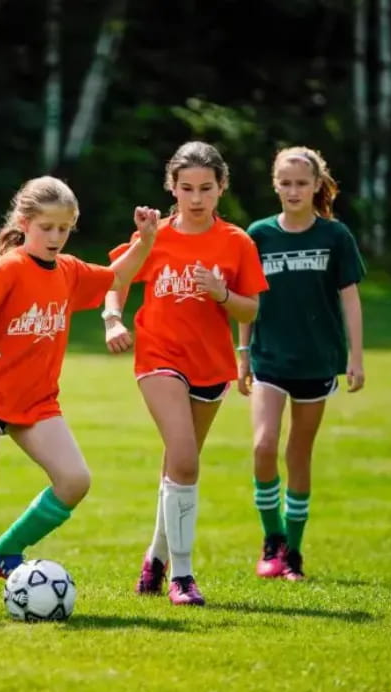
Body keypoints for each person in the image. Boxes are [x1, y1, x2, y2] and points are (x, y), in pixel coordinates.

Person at [0, 175, 160, 615]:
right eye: (47, 228)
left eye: (64, 229)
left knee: (75, 481)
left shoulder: (69, 271)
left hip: (35, 401)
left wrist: (146, 240)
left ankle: (5, 551)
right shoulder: (9, 268)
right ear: (25, 223)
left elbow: (118, 277)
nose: (56, 237)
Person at [103, 141, 268, 606]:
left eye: (206, 189)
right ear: (171, 188)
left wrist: (221, 294)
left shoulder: (237, 242)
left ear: (221, 188)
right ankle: (183, 575)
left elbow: (251, 306)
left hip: (211, 365)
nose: (196, 198)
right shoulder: (154, 235)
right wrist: (112, 319)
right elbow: (113, 280)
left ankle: (154, 558)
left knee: (178, 463)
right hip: (159, 356)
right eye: (186, 188)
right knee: (185, 456)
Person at [237, 146, 366, 581]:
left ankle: (293, 553)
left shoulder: (335, 236)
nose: (293, 191)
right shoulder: (258, 235)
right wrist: (243, 355)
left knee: (298, 454)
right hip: (269, 359)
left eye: (301, 183)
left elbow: (350, 299)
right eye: (286, 183)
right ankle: (271, 540)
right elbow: (248, 301)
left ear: (316, 186)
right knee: (262, 445)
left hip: (316, 361)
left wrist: (355, 357)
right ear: (276, 185)